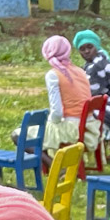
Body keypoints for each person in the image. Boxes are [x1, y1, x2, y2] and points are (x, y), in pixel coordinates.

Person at [39, 34, 93, 165]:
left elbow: (57, 113)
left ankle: (54, 165)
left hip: (72, 127)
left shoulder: (53, 75)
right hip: (89, 125)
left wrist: (50, 123)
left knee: (19, 136)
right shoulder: (80, 71)